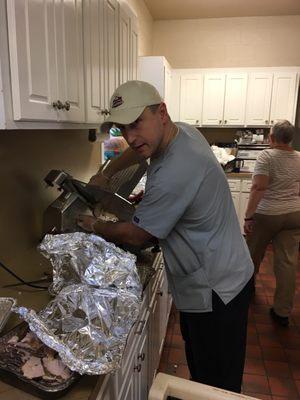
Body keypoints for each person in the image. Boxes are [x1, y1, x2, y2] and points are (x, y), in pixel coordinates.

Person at [78, 80, 254, 393]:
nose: (131, 137)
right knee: (203, 374)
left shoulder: (177, 167)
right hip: (220, 274)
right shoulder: (180, 131)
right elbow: (140, 153)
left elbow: (137, 234)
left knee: (217, 388)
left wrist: (93, 225)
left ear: (162, 112)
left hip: (217, 291)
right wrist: (107, 173)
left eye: (136, 124)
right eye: (123, 129)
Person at [244, 120, 300, 327]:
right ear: (290, 138)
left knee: (253, 254)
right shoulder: (299, 158)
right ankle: (282, 311)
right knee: (287, 262)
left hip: (268, 215)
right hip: (295, 214)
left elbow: (258, 187)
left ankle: (246, 293)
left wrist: (248, 216)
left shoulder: (266, 156)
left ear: (272, 138)